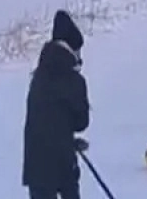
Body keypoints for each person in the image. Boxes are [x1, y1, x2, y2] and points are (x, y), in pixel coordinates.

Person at [23, 11, 89, 199]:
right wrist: (68, 140)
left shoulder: (38, 77)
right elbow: (81, 122)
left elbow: (45, 120)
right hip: (63, 165)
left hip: (36, 166)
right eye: (78, 50)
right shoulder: (74, 79)